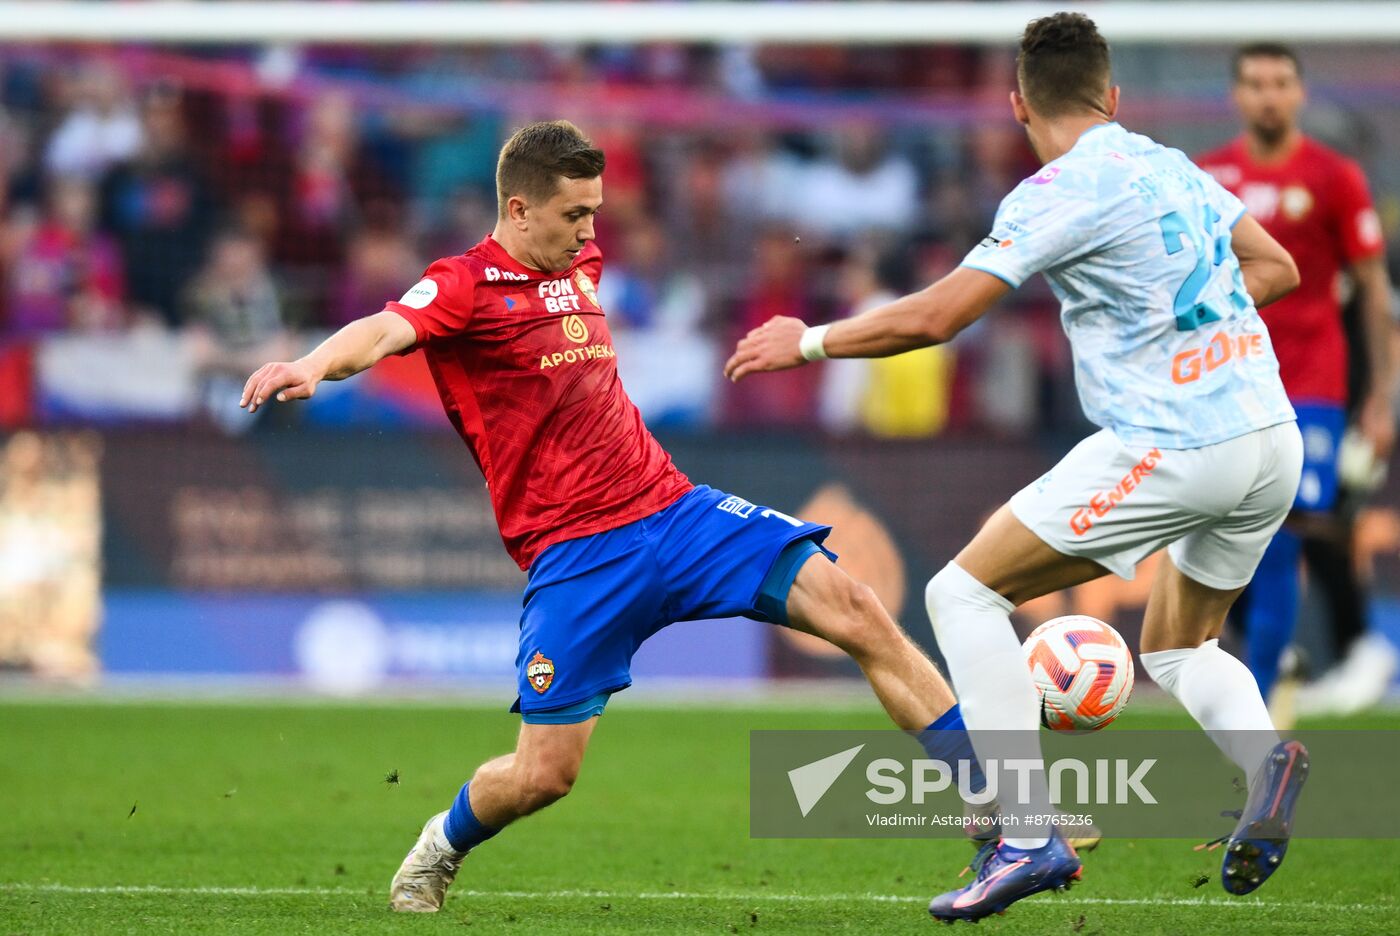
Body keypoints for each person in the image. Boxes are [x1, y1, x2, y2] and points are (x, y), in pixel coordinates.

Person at [240, 120, 970, 915]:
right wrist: (311, 364)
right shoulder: (463, 285)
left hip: (674, 510)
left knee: (857, 607)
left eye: (594, 212)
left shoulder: (580, 259)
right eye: (573, 214)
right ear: (518, 210)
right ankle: (441, 842)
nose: (591, 231)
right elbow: (384, 329)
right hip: (579, 559)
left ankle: (1001, 808)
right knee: (544, 776)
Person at [727, 13, 1309, 922]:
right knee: (1178, 643)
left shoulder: (1054, 191)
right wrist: (1191, 325)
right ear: (1113, 98)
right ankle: (1267, 759)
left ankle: (1027, 836)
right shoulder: (1168, 162)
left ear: (1017, 106)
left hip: (1174, 440)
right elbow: (1272, 267)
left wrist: (807, 340)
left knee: (963, 595)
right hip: (1269, 435)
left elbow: (936, 318)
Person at [1197, 45, 1397, 710]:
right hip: (1228, 381)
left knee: (1284, 529)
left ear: (1299, 94)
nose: (1268, 96)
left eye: (1280, 83)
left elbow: (1372, 288)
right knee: (1226, 530)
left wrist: (1381, 394)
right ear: (1236, 95)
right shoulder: (1208, 175)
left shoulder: (1334, 177)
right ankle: (1264, 659)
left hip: (1311, 383)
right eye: (1254, 83)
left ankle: (1260, 694)